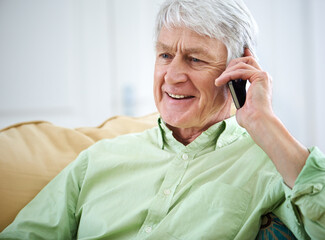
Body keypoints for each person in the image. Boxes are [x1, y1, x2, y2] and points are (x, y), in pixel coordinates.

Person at [1, 0, 325, 239]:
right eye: (165, 55)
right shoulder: (98, 159)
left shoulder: (273, 165)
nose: (172, 76)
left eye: (195, 59)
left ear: (237, 71)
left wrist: (265, 124)